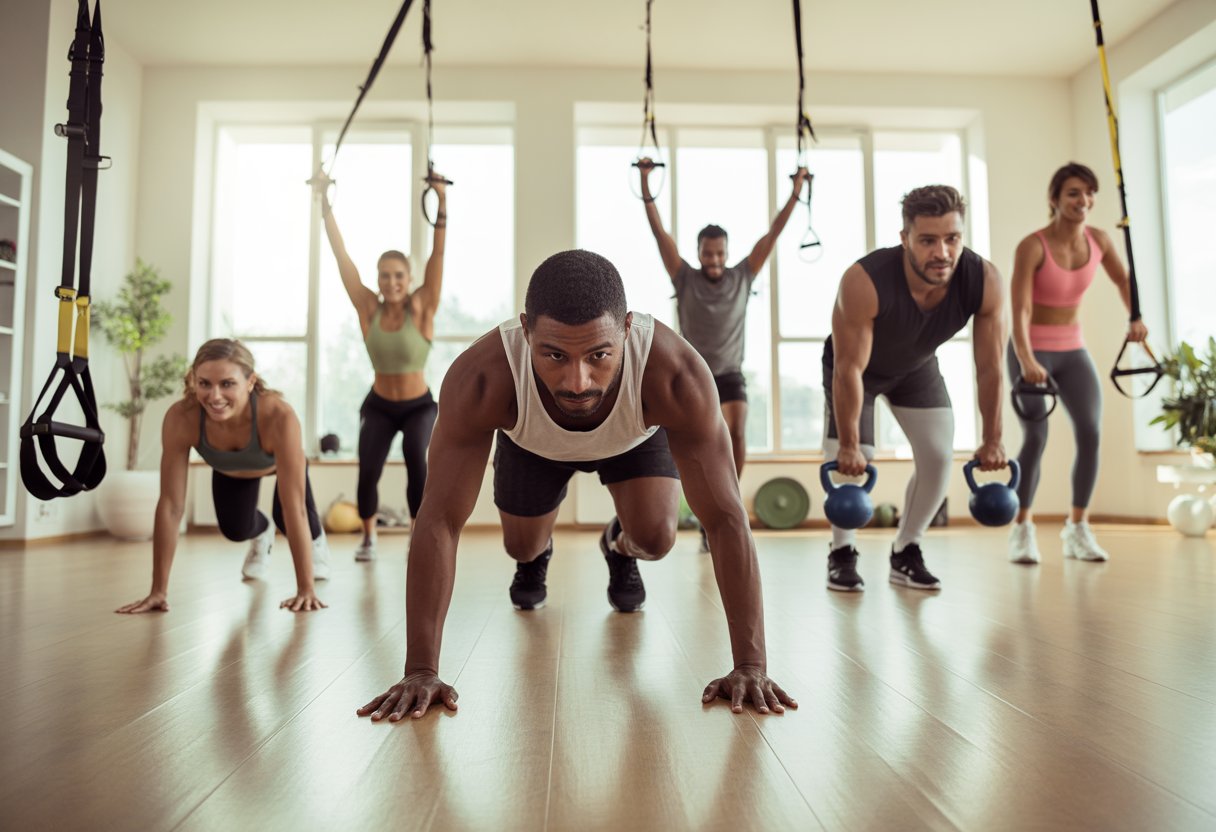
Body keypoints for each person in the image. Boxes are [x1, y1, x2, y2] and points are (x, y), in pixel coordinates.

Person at [357, 250, 796, 720]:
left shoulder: (675, 375)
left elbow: (727, 516)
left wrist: (751, 665)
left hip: (634, 438)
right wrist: (421, 669)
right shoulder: (483, 378)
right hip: (531, 442)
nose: (577, 381)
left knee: (655, 538)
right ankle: (536, 555)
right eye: (554, 354)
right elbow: (439, 518)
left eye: (599, 355)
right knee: (521, 547)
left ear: (627, 328)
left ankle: (620, 547)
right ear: (525, 331)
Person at [824, 185, 1007, 592]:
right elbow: (849, 369)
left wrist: (994, 438)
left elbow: (991, 368)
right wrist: (850, 445)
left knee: (939, 456)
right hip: (858, 371)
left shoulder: (984, 280)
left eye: (952, 239)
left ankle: (906, 550)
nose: (942, 252)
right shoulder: (863, 280)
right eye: (928, 240)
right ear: (905, 237)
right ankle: (842, 553)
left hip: (916, 367)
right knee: (851, 461)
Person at [638, 160, 809, 550]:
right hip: (691, 374)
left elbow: (774, 233)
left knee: (735, 431)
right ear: (698, 253)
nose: (713, 261)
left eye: (719, 254)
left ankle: (726, 504)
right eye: (707, 254)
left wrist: (796, 191)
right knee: (684, 442)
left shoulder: (742, 275)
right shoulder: (684, 278)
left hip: (730, 372)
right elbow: (659, 233)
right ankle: (694, 509)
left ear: (726, 252)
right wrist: (647, 187)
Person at [116, 338, 330, 614]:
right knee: (235, 530)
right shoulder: (182, 418)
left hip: (278, 464)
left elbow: (294, 508)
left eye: (227, 384)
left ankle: (317, 542)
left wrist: (306, 589)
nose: (214, 396)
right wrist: (158, 591)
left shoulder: (278, 415)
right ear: (194, 380)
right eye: (204, 383)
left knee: (288, 517)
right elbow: (170, 505)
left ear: (250, 381)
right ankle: (262, 532)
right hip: (231, 471)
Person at [1006, 162, 1148, 564]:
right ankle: (1022, 528)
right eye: (1073, 193)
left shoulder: (1099, 240)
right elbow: (1018, 310)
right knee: (1036, 437)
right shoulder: (1032, 245)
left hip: (1072, 350)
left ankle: (1078, 529)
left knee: (1090, 432)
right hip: (1030, 350)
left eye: (1088, 193)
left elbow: (1124, 280)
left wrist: (1133, 317)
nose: (1083, 201)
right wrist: (1026, 358)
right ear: (1054, 199)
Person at [313, 170, 446, 562]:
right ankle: (369, 538)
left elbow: (439, 255)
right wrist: (325, 204)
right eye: (385, 276)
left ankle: (417, 534)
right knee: (368, 468)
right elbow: (342, 257)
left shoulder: (422, 307)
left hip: (420, 405)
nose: (392, 282)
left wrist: (442, 202)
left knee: (416, 464)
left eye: (399, 276)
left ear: (409, 278)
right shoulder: (367, 308)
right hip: (379, 405)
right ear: (378, 279)